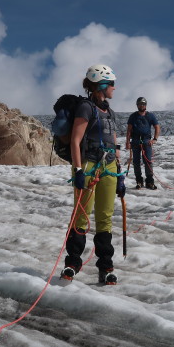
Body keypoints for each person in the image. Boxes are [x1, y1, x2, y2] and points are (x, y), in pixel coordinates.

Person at [61, 64, 124, 285]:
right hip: (88, 165)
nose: (115, 88)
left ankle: (106, 266)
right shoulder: (86, 108)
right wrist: (78, 170)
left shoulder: (110, 112)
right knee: (82, 214)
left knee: (105, 217)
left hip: (109, 167)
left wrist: (120, 172)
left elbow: (114, 142)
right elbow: (76, 141)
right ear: (102, 84)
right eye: (112, 84)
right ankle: (72, 263)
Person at [126, 97, 160, 190]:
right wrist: (127, 142)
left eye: (143, 104)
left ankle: (149, 182)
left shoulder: (150, 116)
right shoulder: (133, 116)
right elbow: (129, 130)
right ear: (137, 105)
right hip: (135, 141)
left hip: (146, 141)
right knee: (136, 162)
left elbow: (157, 127)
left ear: (146, 105)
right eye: (140, 104)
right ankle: (139, 181)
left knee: (148, 161)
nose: (142, 106)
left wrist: (155, 139)